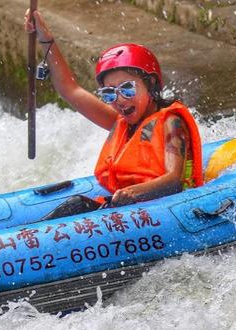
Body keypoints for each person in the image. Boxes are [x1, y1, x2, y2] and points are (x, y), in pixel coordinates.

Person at [24, 9, 203, 211]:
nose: (119, 100)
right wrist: (45, 37)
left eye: (127, 88)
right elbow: (70, 90)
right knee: (75, 205)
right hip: (129, 209)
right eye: (109, 93)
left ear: (151, 83)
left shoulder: (171, 123)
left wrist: (133, 192)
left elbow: (174, 180)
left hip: (168, 209)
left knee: (76, 206)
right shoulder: (120, 122)